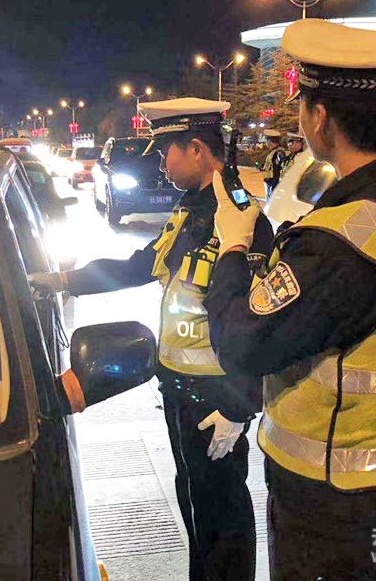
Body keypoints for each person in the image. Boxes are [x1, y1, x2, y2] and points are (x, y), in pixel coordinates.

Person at [204, 19, 376, 581]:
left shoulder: (341, 243)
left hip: (328, 502)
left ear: (319, 118)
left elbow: (242, 344)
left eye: (303, 105)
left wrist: (234, 246)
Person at [29, 97, 273, 581]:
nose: (162, 165)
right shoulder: (193, 210)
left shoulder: (241, 220)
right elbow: (140, 265)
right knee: (196, 507)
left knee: (224, 518)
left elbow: (259, 320)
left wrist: (241, 406)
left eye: (166, 153)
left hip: (216, 398)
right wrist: (62, 281)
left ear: (197, 149)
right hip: (180, 390)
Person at [261, 130, 286, 201]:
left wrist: (273, 185)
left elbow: (277, 170)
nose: (266, 143)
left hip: (273, 182)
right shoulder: (274, 152)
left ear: (269, 141)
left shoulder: (278, 153)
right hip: (270, 181)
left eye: (266, 140)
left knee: (271, 201)